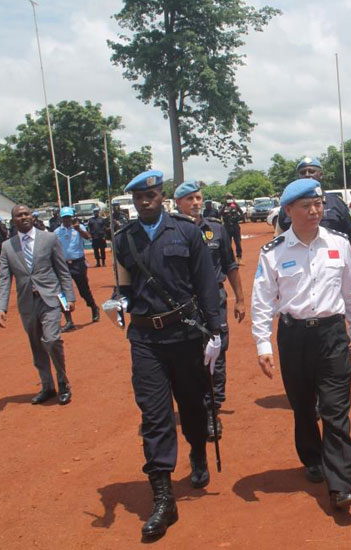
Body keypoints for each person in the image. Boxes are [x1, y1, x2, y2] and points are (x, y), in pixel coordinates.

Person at [111, 169, 223, 538]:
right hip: (145, 338)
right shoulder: (123, 240)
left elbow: (206, 285)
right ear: (133, 201)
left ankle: (198, 453)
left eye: (152, 195)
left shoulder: (187, 232)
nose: (146, 201)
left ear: (162, 197)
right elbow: (125, 287)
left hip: (186, 334)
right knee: (154, 414)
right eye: (140, 197)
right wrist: (117, 302)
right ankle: (163, 497)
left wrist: (215, 332)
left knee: (192, 406)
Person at [251, 178, 351, 512]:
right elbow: (262, 301)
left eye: (318, 205)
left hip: (332, 335)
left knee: (335, 410)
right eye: (306, 206)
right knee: (302, 407)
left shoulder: (339, 244)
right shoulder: (273, 252)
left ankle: (340, 485)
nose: (315, 211)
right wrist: (262, 344)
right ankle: (312, 457)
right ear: (288, 211)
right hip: (293, 337)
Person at [174, 181, 246, 441]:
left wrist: (239, 298)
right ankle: (194, 407)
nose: (195, 203)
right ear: (177, 203)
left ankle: (212, 411)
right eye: (189, 198)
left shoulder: (215, 229)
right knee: (188, 356)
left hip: (214, 300)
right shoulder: (172, 232)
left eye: (199, 198)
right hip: (184, 304)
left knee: (217, 355)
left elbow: (229, 264)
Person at [0, 204, 75, 405]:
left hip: (50, 298)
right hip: (27, 304)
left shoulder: (49, 239)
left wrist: (70, 297)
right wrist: (0, 307)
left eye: (26, 214)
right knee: (37, 346)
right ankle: (47, 386)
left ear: (32, 216)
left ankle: (63, 382)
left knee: (52, 339)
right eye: (18, 215)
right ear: (13, 220)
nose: (23, 217)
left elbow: (62, 270)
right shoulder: (7, 246)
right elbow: (4, 279)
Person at [276, 157, 351, 288]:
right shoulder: (288, 207)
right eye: (303, 172)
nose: (307, 175)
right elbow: (278, 242)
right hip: (300, 275)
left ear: (321, 175)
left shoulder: (336, 203)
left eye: (311, 171)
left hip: (334, 273)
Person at [54, 207, 100, 331]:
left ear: (73, 217)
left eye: (69, 217)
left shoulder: (79, 228)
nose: (67, 219)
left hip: (78, 263)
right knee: (63, 293)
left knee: (83, 289)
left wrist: (78, 229)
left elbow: (88, 237)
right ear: (61, 218)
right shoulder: (57, 232)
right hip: (63, 265)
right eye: (65, 217)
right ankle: (69, 320)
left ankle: (93, 307)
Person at [220, 193, 244, 261]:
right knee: (227, 243)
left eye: (230, 198)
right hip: (227, 227)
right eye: (227, 198)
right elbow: (220, 214)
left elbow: (241, 213)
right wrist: (224, 206)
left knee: (238, 242)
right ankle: (229, 258)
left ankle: (239, 256)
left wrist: (237, 218)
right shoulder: (223, 206)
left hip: (235, 226)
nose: (229, 199)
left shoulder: (235, 205)